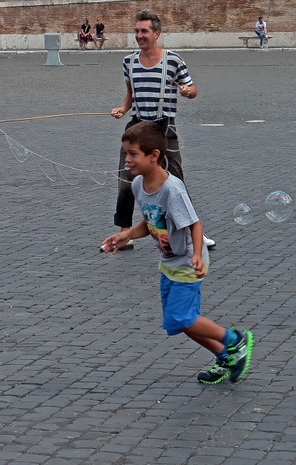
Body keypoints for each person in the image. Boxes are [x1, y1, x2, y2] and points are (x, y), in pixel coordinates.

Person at [101, 121, 254, 384]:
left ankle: (235, 340)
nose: (127, 159)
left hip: (187, 262)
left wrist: (197, 255)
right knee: (179, 321)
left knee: (183, 317)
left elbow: (194, 224)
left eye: (133, 154)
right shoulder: (138, 185)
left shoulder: (172, 190)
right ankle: (225, 356)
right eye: (126, 153)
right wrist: (127, 234)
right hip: (169, 263)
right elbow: (152, 222)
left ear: (154, 155)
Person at [108, 9, 215, 252]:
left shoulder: (173, 60)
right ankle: (125, 233)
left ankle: (193, 232)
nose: (139, 35)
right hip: (137, 125)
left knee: (176, 180)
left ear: (156, 33)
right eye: (136, 31)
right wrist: (122, 109)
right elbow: (130, 94)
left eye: (144, 31)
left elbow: (192, 89)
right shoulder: (128, 61)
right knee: (126, 178)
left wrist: (187, 92)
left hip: (164, 126)